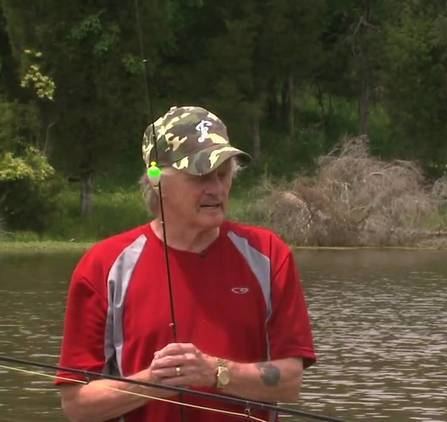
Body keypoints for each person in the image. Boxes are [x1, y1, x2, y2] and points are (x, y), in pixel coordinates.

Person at [56, 106, 316, 421]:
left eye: (223, 174)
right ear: (156, 180)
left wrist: (214, 372)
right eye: (201, 176)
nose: (217, 190)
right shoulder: (103, 266)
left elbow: (290, 382)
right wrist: (154, 381)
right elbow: (77, 406)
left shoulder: (269, 254)